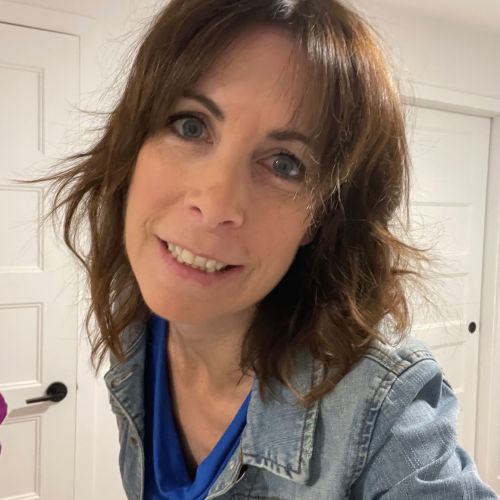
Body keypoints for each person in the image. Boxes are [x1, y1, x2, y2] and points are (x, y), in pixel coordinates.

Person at [43, 0, 498, 498]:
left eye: (285, 164)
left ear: (320, 219)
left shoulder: (382, 406)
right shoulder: (139, 322)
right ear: (133, 143)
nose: (215, 205)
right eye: (191, 125)